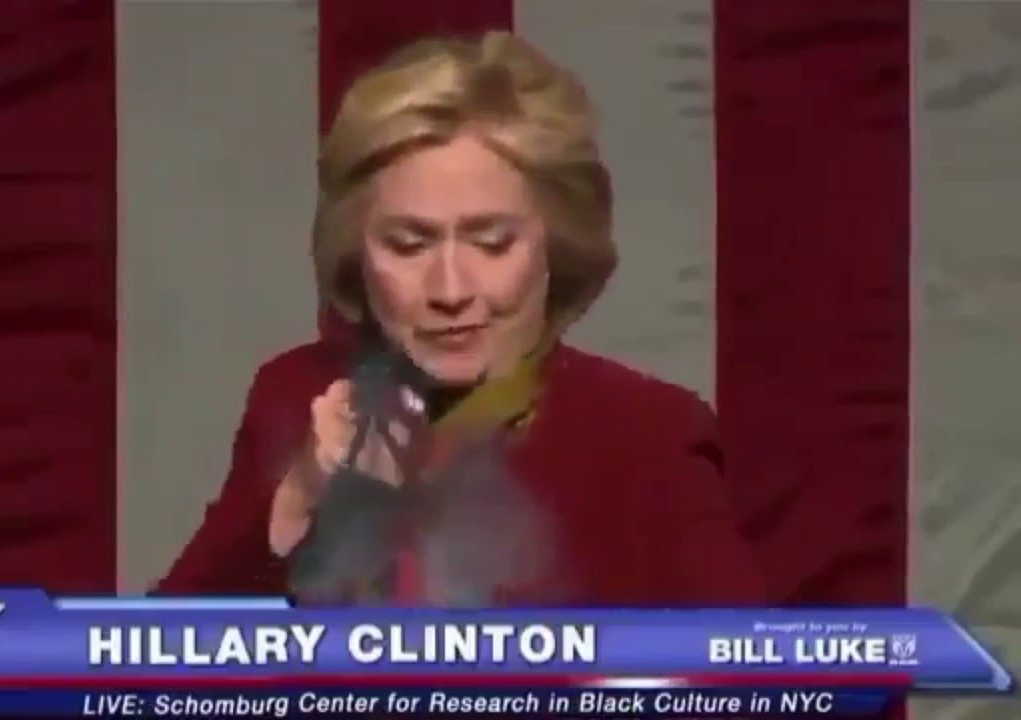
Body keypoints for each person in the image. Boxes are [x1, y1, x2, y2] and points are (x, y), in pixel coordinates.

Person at [155, 32, 767, 606]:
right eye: (408, 245)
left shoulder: (649, 437)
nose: (450, 291)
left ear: (556, 246)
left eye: (492, 243)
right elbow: (151, 659)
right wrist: (297, 499)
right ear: (355, 252)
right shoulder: (293, 396)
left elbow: (751, 669)